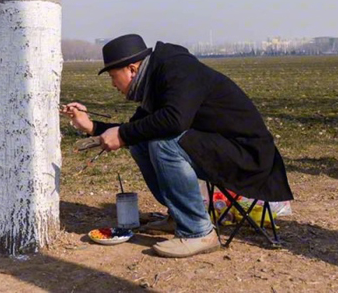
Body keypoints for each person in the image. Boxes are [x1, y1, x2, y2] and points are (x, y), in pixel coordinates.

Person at [62, 34, 293, 258]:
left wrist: (123, 134)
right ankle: (178, 216)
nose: (113, 84)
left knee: (164, 142)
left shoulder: (177, 69)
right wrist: (90, 126)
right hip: (220, 150)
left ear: (132, 69)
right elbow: (136, 128)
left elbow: (175, 120)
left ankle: (198, 231)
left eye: (113, 76)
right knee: (141, 141)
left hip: (249, 157)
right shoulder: (156, 81)